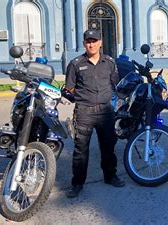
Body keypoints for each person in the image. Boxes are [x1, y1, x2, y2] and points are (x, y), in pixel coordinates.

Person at [65, 29, 124, 198]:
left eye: (94, 41)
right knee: (80, 150)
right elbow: (69, 87)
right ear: (84, 43)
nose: (91, 44)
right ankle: (77, 183)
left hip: (106, 112)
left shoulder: (110, 62)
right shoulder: (76, 63)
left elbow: (115, 84)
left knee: (108, 147)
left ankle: (110, 176)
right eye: (88, 41)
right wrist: (84, 98)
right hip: (84, 112)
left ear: (100, 43)